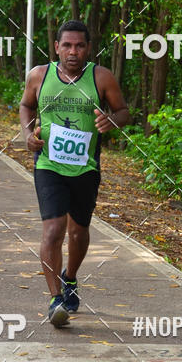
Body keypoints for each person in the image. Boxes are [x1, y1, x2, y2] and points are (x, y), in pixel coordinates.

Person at [19, 19, 130, 327]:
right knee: (53, 230)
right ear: (56, 47)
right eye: (66, 45)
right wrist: (28, 134)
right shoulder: (39, 76)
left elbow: (124, 110)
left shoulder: (101, 77)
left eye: (79, 45)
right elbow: (26, 106)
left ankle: (70, 277)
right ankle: (56, 300)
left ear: (88, 48)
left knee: (78, 232)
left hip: (85, 169)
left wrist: (113, 121)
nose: (72, 51)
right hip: (49, 165)